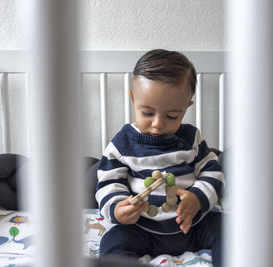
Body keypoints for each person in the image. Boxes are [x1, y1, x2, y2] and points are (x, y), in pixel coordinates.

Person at [95, 49, 224, 267]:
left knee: (230, 230)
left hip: (193, 225)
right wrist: (117, 209)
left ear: (186, 107)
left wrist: (197, 198)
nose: (158, 123)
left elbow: (213, 172)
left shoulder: (191, 138)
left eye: (172, 115)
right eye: (147, 113)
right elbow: (108, 182)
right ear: (133, 99)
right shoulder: (122, 143)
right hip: (142, 228)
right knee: (111, 243)